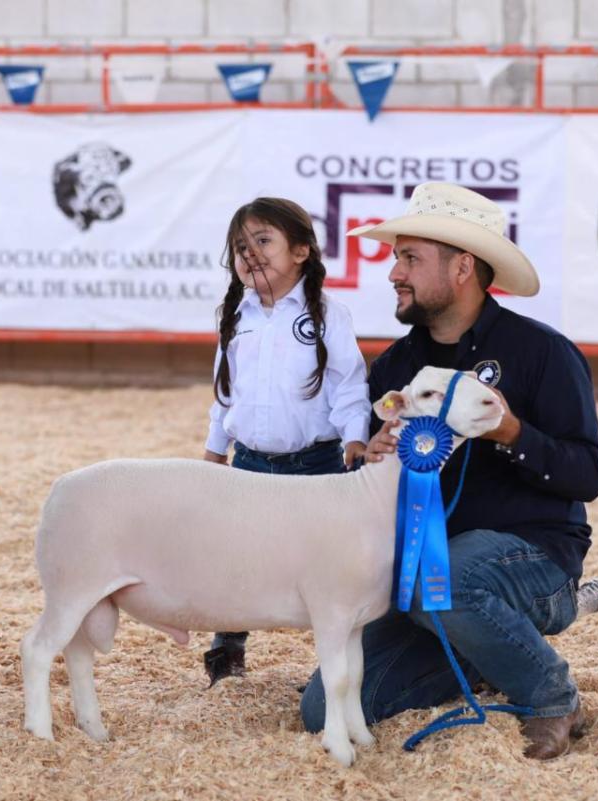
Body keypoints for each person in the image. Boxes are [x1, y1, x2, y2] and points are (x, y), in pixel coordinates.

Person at [298, 182, 598, 760]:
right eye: (396, 257)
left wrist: (513, 434)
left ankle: (551, 695)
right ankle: (493, 648)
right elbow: (363, 484)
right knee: (321, 709)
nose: (394, 272)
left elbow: (588, 474)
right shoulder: (394, 367)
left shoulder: (543, 353)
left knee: (440, 585)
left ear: (463, 266)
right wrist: (368, 459)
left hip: (535, 559)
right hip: (426, 581)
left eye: (410, 257)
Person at [201, 197, 372, 686]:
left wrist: (355, 439)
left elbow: (349, 384)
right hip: (249, 464)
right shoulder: (235, 314)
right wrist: (216, 450)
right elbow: (224, 390)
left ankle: (331, 664)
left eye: (263, 241)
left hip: (315, 466)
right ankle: (227, 650)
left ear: (301, 251)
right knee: (236, 558)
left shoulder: (328, 314)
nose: (249, 254)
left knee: (324, 564)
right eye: (240, 247)